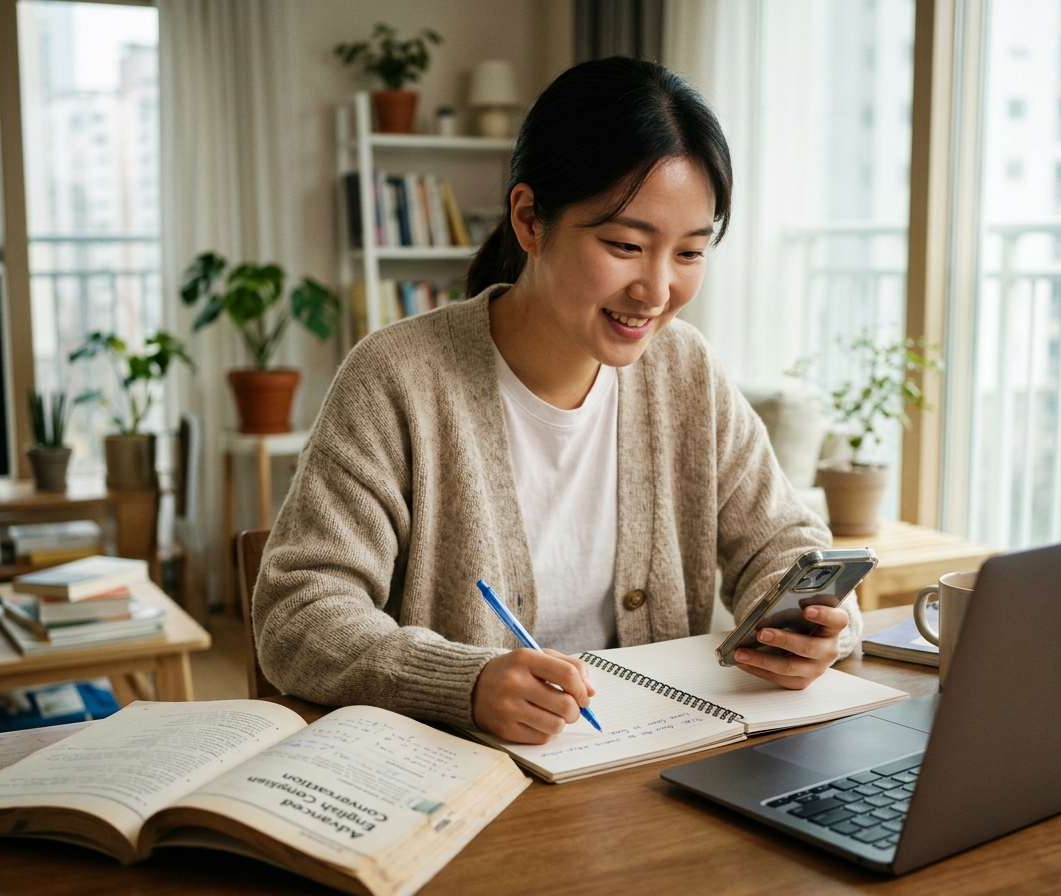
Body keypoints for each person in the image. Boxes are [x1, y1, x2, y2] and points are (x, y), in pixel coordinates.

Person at [252, 56, 861, 746]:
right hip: (462, 786)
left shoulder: (685, 370)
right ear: (529, 219)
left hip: (656, 771)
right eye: (626, 245)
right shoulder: (398, 378)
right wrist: (464, 681)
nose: (657, 290)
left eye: (690, 253)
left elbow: (784, 544)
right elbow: (298, 615)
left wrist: (809, 622)